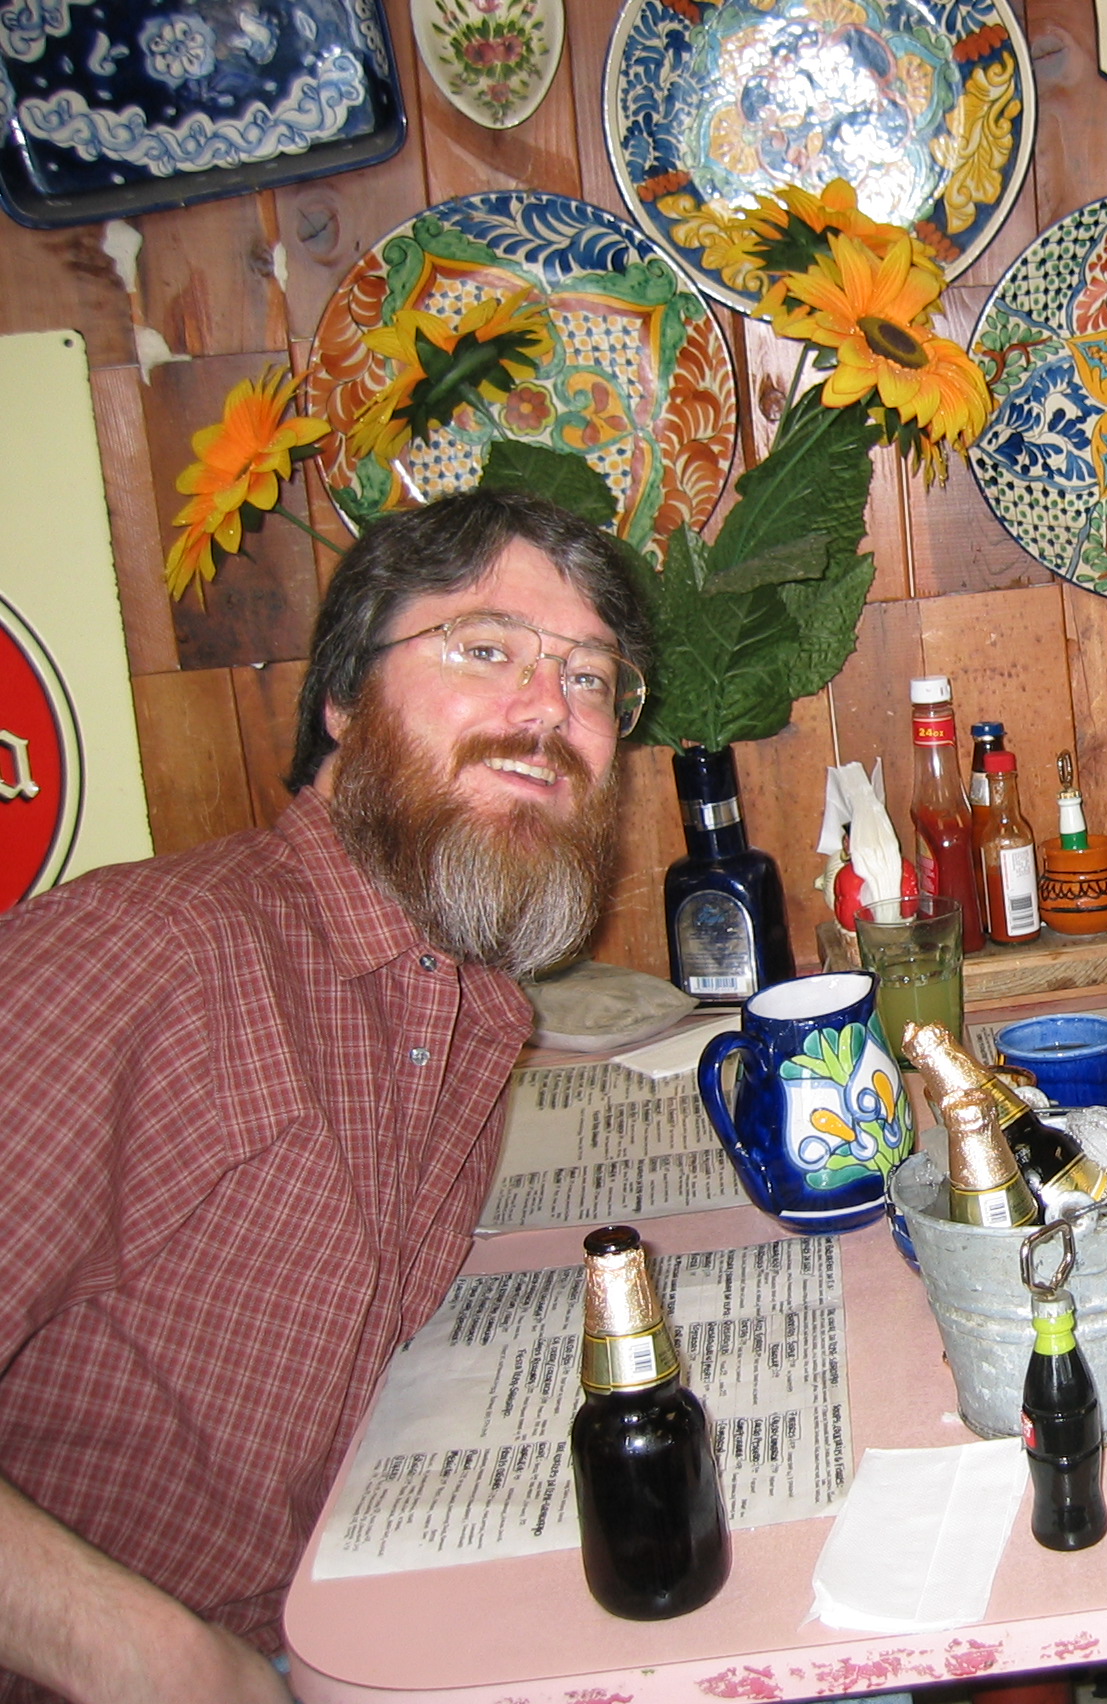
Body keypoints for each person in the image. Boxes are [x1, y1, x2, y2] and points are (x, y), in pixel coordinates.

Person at [0, 489, 653, 1703]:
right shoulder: (148, 956)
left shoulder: (468, 996)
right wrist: (153, 1656)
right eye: (486, 650)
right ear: (344, 699)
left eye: (590, 678)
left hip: (351, 1606)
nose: (547, 712)